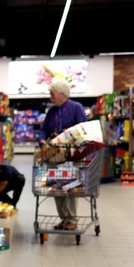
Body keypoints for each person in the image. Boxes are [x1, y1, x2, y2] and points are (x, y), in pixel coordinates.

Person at [39, 80, 87, 230]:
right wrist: (42, 139)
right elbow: (43, 129)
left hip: (71, 153)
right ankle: (64, 218)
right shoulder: (52, 111)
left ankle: (72, 219)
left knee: (71, 185)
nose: (50, 97)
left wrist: (68, 134)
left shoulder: (76, 108)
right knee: (57, 186)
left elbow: (83, 129)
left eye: (52, 94)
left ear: (62, 94)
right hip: (54, 154)